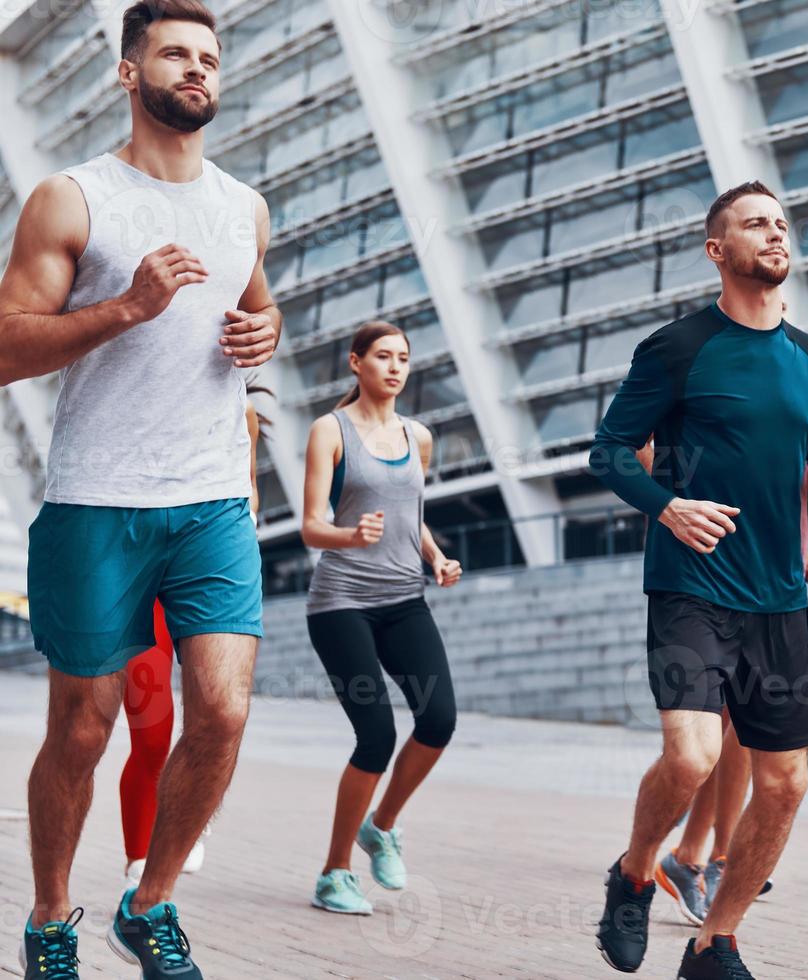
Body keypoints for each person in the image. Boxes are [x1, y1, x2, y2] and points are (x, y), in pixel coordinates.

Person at [0, 2, 281, 977]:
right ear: (130, 74)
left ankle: (149, 900)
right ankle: (46, 915)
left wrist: (265, 332)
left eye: (209, 57)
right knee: (81, 728)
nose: (197, 69)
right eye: (175, 53)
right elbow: (5, 344)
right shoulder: (71, 199)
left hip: (212, 502)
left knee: (225, 711)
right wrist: (128, 306)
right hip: (95, 500)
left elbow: (256, 300)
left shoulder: (244, 207)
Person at [589, 180, 808, 979]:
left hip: (779, 597)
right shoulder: (676, 348)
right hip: (691, 585)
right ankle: (635, 873)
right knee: (691, 756)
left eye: (781, 222)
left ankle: (717, 942)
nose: (774, 234)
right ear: (718, 251)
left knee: (785, 782)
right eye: (754, 224)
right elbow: (607, 450)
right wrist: (667, 507)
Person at [300, 321, 462, 915]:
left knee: (439, 718)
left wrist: (438, 558)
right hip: (341, 604)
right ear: (355, 363)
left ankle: (382, 826)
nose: (395, 367)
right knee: (375, 735)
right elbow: (311, 524)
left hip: (404, 599)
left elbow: (407, 512)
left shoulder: (417, 436)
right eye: (383, 357)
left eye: (403, 358)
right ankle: (334, 873)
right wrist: (349, 535)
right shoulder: (330, 430)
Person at [643, 437, 808, 924]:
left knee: (742, 722)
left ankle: (712, 855)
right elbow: (639, 458)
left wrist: (799, 544)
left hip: (766, 576)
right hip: (699, 578)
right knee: (707, 732)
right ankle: (694, 854)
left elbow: (794, 477)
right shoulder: (677, 376)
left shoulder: (786, 384)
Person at [120, 386, 270, 885]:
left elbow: (249, 493)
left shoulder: (242, 413)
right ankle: (138, 859)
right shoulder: (136, 396)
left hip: (210, 580)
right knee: (151, 732)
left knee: (217, 715)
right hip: (137, 579)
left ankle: (186, 813)